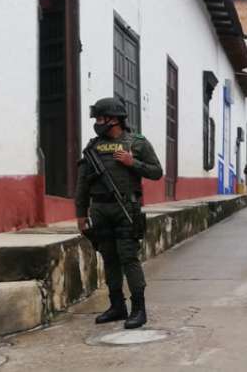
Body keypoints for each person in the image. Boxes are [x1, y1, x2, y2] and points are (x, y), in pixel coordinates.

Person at [75, 97, 163, 330]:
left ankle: (138, 309)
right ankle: (117, 306)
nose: (98, 122)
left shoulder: (137, 143)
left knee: (128, 258)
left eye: (101, 118)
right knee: (109, 258)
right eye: (97, 119)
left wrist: (132, 162)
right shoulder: (93, 147)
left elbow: (156, 172)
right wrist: (81, 214)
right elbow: (82, 183)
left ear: (115, 119)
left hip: (126, 208)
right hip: (99, 210)